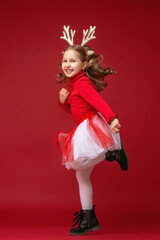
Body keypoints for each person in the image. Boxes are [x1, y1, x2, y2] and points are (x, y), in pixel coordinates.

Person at [56, 26, 128, 236]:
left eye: (73, 61)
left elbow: (98, 101)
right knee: (81, 175)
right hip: (83, 126)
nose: (68, 64)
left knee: (79, 162)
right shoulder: (74, 85)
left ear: (84, 64)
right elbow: (76, 111)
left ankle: (113, 151)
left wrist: (112, 118)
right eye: (65, 61)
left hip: (91, 127)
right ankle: (89, 217)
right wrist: (63, 102)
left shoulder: (82, 82)